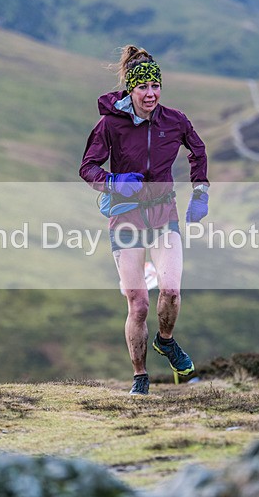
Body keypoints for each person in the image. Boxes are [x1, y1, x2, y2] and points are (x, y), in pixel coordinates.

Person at [80, 45, 210, 395]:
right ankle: (140, 376)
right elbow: (87, 167)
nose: (151, 94)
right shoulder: (110, 124)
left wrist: (201, 192)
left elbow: (197, 150)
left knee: (170, 290)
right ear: (130, 90)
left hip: (164, 214)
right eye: (143, 88)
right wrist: (112, 182)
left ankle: (165, 341)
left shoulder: (175, 121)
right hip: (126, 218)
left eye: (156, 86)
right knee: (138, 303)